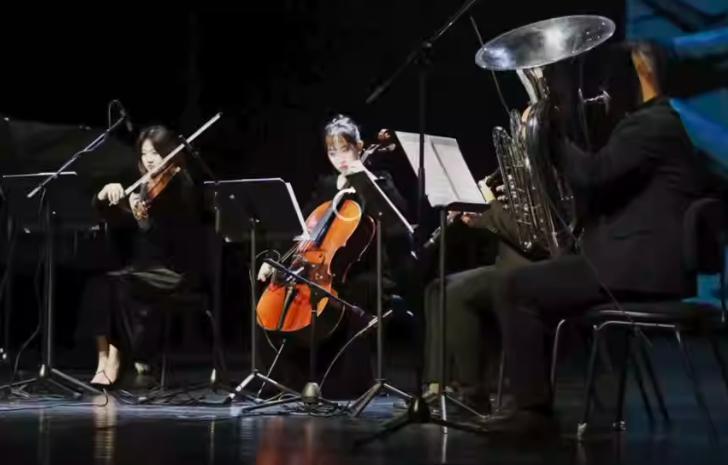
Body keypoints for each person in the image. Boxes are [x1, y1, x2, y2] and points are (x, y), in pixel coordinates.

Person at [483, 40, 715, 433]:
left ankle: (531, 413)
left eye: (615, 77)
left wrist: (549, 134)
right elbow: (603, 188)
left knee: (514, 286)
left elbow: (592, 175)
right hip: (636, 264)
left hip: (636, 271)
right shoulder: (656, 124)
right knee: (534, 280)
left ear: (641, 74)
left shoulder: (651, 126)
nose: (606, 89)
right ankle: (526, 400)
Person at [255, 114, 422, 396]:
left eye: (345, 149)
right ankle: (283, 380)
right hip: (325, 268)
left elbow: (399, 218)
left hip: (368, 270)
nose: (339, 158)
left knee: (353, 292)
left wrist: (367, 183)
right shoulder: (326, 186)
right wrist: (275, 261)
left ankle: (344, 383)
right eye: (333, 152)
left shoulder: (379, 181)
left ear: (359, 147)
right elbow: (302, 230)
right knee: (272, 293)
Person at [79, 125, 206, 387]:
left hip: (172, 270)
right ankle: (103, 359)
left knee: (119, 284)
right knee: (98, 285)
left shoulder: (181, 184)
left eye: (156, 153)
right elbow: (112, 217)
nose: (149, 159)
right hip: (144, 269)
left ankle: (118, 359)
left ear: (169, 152)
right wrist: (105, 195)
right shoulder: (146, 185)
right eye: (145, 153)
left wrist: (140, 213)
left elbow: (168, 230)